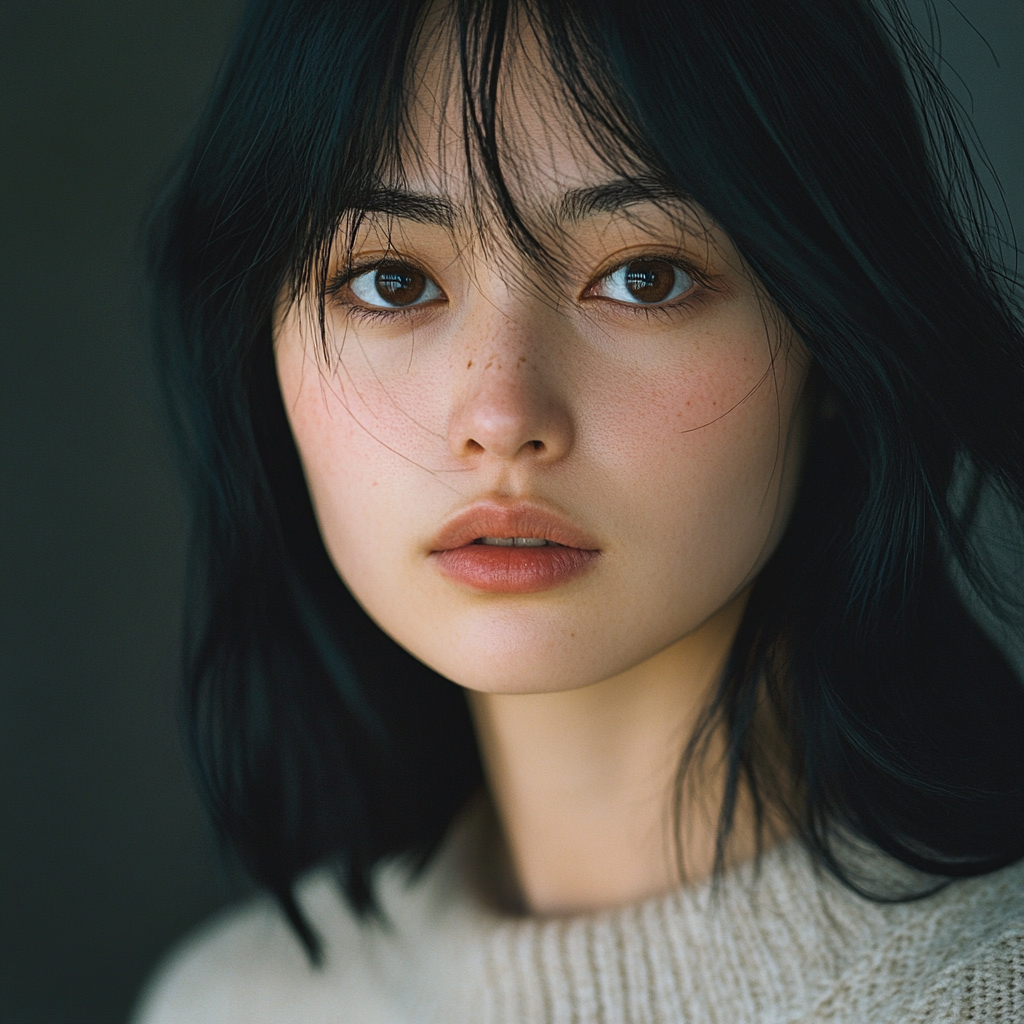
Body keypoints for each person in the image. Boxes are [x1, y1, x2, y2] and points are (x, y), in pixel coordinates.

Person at [132, 0, 1024, 1020]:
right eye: (390, 281)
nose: (503, 415)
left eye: (643, 277)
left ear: (834, 337)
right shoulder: (231, 1005)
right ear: (264, 355)